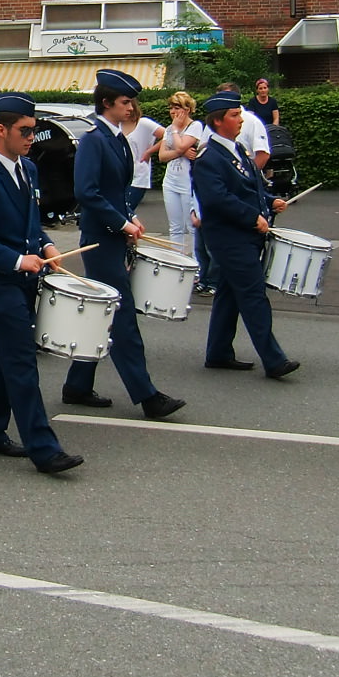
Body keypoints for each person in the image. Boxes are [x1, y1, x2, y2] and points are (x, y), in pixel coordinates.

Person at [0, 93, 83, 473]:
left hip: (26, 278)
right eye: (25, 131)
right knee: (21, 361)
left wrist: (46, 245)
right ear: (1, 130)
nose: (32, 138)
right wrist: (16, 259)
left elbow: (30, 222)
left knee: (1, 356)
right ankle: (44, 449)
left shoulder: (28, 169)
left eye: (33, 130)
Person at [61, 69, 186, 420]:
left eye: (131, 102)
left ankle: (77, 386)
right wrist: (121, 222)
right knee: (121, 315)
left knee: (101, 314)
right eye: (125, 102)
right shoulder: (94, 139)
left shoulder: (115, 137)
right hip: (99, 241)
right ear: (106, 103)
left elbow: (116, 191)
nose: (131, 108)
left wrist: (130, 216)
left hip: (113, 236)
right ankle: (147, 396)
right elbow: (87, 192)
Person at [194, 93, 298, 379]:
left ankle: (218, 353)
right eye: (234, 115)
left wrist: (270, 201)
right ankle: (274, 360)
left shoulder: (238, 149)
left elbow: (249, 188)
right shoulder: (208, 158)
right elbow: (217, 199)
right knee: (253, 295)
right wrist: (252, 217)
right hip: (229, 239)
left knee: (228, 294)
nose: (241, 119)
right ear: (218, 121)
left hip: (244, 235)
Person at [157, 92, 206, 254]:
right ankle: (176, 259)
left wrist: (176, 131)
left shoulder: (195, 126)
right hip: (170, 181)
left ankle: (197, 262)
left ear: (187, 109)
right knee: (175, 226)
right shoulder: (169, 129)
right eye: (171, 108)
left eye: (177, 108)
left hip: (188, 182)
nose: (173, 112)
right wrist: (182, 152)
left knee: (191, 225)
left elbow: (180, 145)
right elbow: (162, 156)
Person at [122, 101, 164, 217]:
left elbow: (168, 136)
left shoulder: (144, 123)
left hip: (138, 176)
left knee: (125, 211)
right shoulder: (116, 125)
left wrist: (149, 151)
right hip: (120, 176)